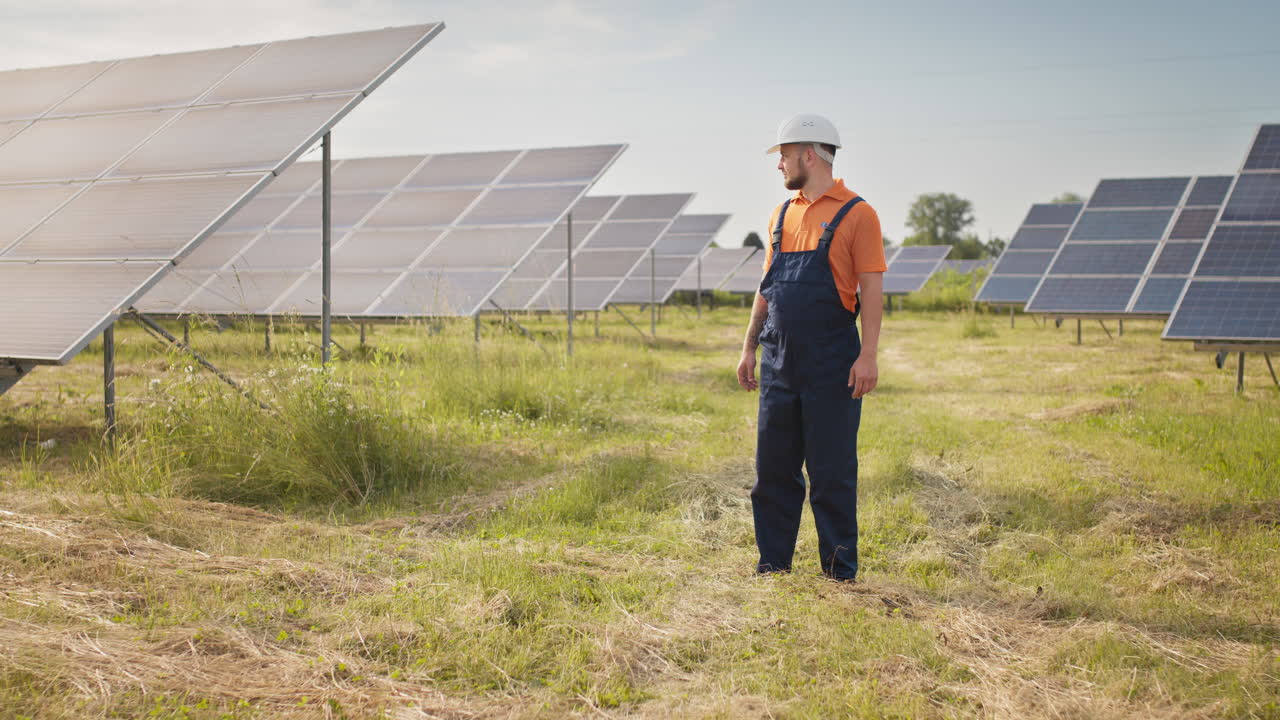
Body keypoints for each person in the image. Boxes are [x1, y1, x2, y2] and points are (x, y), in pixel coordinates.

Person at [736, 113, 885, 582]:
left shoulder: (859, 214)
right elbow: (767, 287)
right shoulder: (782, 215)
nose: (778, 165)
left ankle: (840, 573)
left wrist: (868, 355)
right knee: (773, 471)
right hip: (779, 361)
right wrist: (748, 347)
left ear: (808, 153)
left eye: (782, 155)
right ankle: (773, 565)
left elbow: (872, 292)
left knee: (831, 472)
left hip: (832, 362)